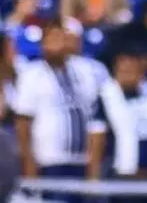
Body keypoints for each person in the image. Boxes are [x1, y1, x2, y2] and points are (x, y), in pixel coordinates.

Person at [14, 20, 100, 203]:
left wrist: (93, 166)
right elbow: (22, 125)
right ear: (43, 44)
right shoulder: (32, 75)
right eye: (52, 39)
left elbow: (93, 121)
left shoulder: (83, 72)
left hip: (80, 162)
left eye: (61, 38)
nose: (57, 44)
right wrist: (29, 167)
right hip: (49, 163)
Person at [88, 45, 147, 199]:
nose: (128, 73)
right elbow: (97, 138)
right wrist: (93, 180)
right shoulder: (106, 96)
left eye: (133, 68)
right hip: (120, 177)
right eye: (123, 69)